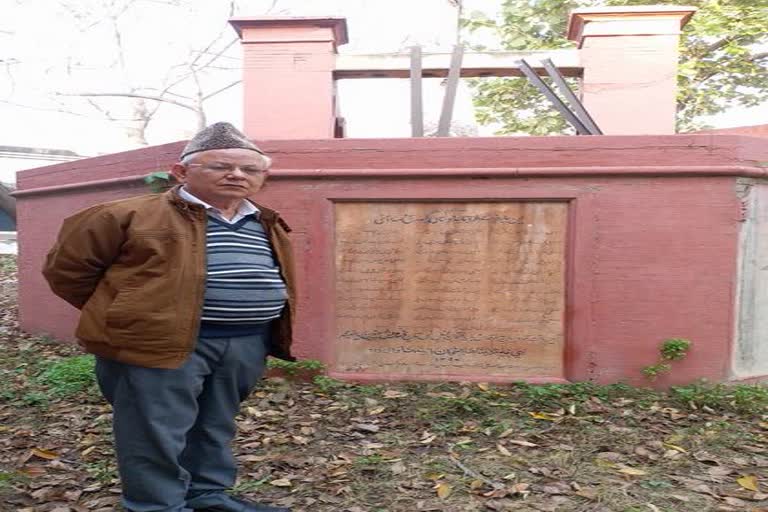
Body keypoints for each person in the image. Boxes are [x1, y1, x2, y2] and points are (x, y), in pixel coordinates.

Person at [43, 122, 296, 512]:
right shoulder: (123, 215)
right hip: (157, 342)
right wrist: (128, 313)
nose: (237, 175)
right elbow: (68, 272)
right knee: (154, 431)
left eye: (251, 169)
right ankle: (155, 505)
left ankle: (206, 495)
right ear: (181, 172)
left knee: (215, 424)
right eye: (221, 166)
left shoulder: (264, 220)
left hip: (246, 342)